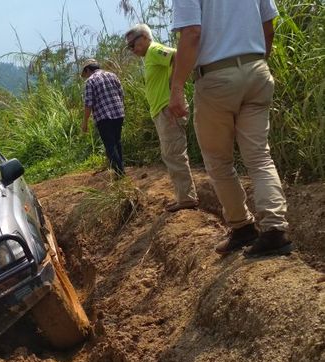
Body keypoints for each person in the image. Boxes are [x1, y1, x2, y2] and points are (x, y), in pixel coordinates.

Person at [169, 0, 292, 257]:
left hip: (217, 78)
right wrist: (256, 63)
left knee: (218, 161)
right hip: (257, 69)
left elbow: (191, 33)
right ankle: (275, 230)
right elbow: (268, 26)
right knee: (259, 156)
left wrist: (177, 87)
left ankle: (242, 227)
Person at [125, 24, 198, 212]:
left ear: (144, 38)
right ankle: (184, 196)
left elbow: (177, 55)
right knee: (171, 154)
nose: (132, 49)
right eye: (129, 47)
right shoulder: (150, 55)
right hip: (163, 110)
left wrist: (175, 87)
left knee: (174, 154)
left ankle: (187, 198)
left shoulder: (154, 49)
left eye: (132, 44)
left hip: (168, 109)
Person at [80, 58, 126, 177]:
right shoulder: (112, 75)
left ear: (88, 69)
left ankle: (120, 172)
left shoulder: (90, 81)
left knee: (110, 145)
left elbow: (88, 104)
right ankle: (120, 169)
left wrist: (84, 122)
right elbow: (121, 94)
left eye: (85, 73)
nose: (85, 76)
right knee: (117, 142)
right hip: (118, 113)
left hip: (104, 117)